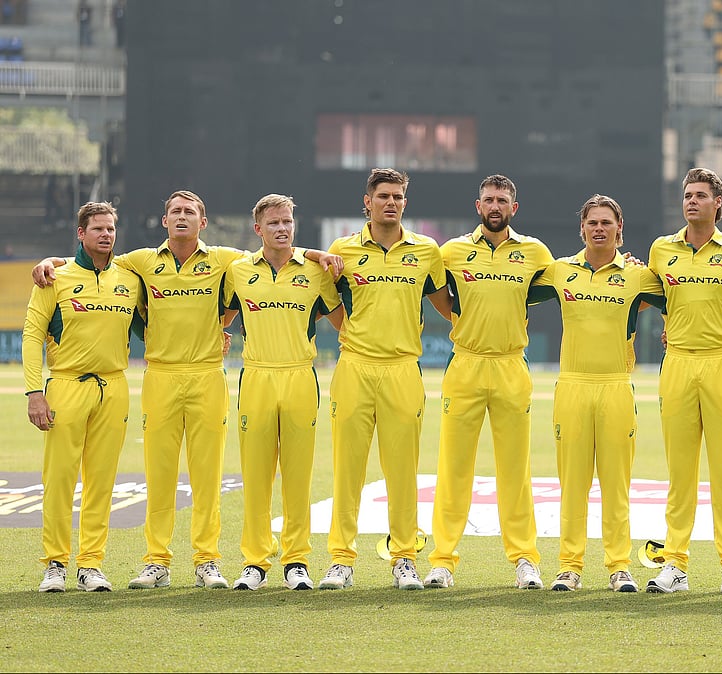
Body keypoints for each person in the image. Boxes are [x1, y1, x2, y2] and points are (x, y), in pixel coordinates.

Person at [32, 191, 341, 591]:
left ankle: (207, 561)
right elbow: (95, 262)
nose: (182, 217)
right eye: (175, 211)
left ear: (203, 222)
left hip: (208, 375)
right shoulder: (140, 262)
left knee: (207, 478)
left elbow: (274, 249)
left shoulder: (227, 260)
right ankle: (157, 561)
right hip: (160, 376)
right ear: (165, 221)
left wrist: (316, 253)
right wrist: (52, 261)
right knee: (160, 477)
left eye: (190, 212)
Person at [317, 169, 449, 591]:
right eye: (383, 196)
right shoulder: (342, 249)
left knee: (402, 471)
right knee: (348, 470)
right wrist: (354, 334)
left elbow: (446, 305)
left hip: (403, 369)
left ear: (405, 203)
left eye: (398, 196)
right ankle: (341, 560)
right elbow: (329, 303)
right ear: (367, 202)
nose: (391, 202)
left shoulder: (426, 251)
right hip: (354, 368)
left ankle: (404, 558)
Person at [424, 175, 554, 590]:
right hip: (466, 364)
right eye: (488, 200)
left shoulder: (535, 252)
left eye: (502, 200)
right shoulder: (452, 251)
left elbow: (566, 280)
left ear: (514, 208)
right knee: (454, 468)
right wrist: (464, 321)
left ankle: (525, 559)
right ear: (477, 206)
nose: (495, 206)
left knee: (515, 470)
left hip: (511, 365)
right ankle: (442, 561)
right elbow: (439, 295)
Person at [529, 194, 663, 593]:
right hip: (572, 386)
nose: (599, 228)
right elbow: (512, 291)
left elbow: (681, 298)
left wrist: (673, 328)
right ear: (582, 228)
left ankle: (619, 566)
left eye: (607, 222)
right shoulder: (560, 271)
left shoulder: (638, 276)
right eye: (593, 222)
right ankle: (569, 567)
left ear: (619, 229)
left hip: (616, 387)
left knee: (616, 485)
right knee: (573, 485)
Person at [644, 167, 722, 595]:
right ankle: (675, 563)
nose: (692, 201)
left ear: (718, 203)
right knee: (680, 473)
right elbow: (651, 294)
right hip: (677, 364)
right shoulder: (661, 249)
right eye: (688, 195)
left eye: (700, 195)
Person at [220, 195, 340, 590]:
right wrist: (219, 333)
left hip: (300, 377)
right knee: (256, 477)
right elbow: (223, 315)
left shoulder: (315, 271)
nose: (282, 228)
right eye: (273, 223)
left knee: (298, 477)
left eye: (287, 221)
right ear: (258, 229)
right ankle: (255, 562)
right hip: (256, 378)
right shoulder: (238, 271)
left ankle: (296, 561)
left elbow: (341, 320)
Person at [24, 202, 144, 592]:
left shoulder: (129, 278)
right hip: (66, 385)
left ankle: (90, 565)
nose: (106, 235)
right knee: (59, 478)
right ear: (81, 233)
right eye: (98, 229)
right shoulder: (54, 278)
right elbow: (32, 335)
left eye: (111, 229)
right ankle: (55, 564)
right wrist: (34, 392)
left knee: (102, 481)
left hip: (114, 387)